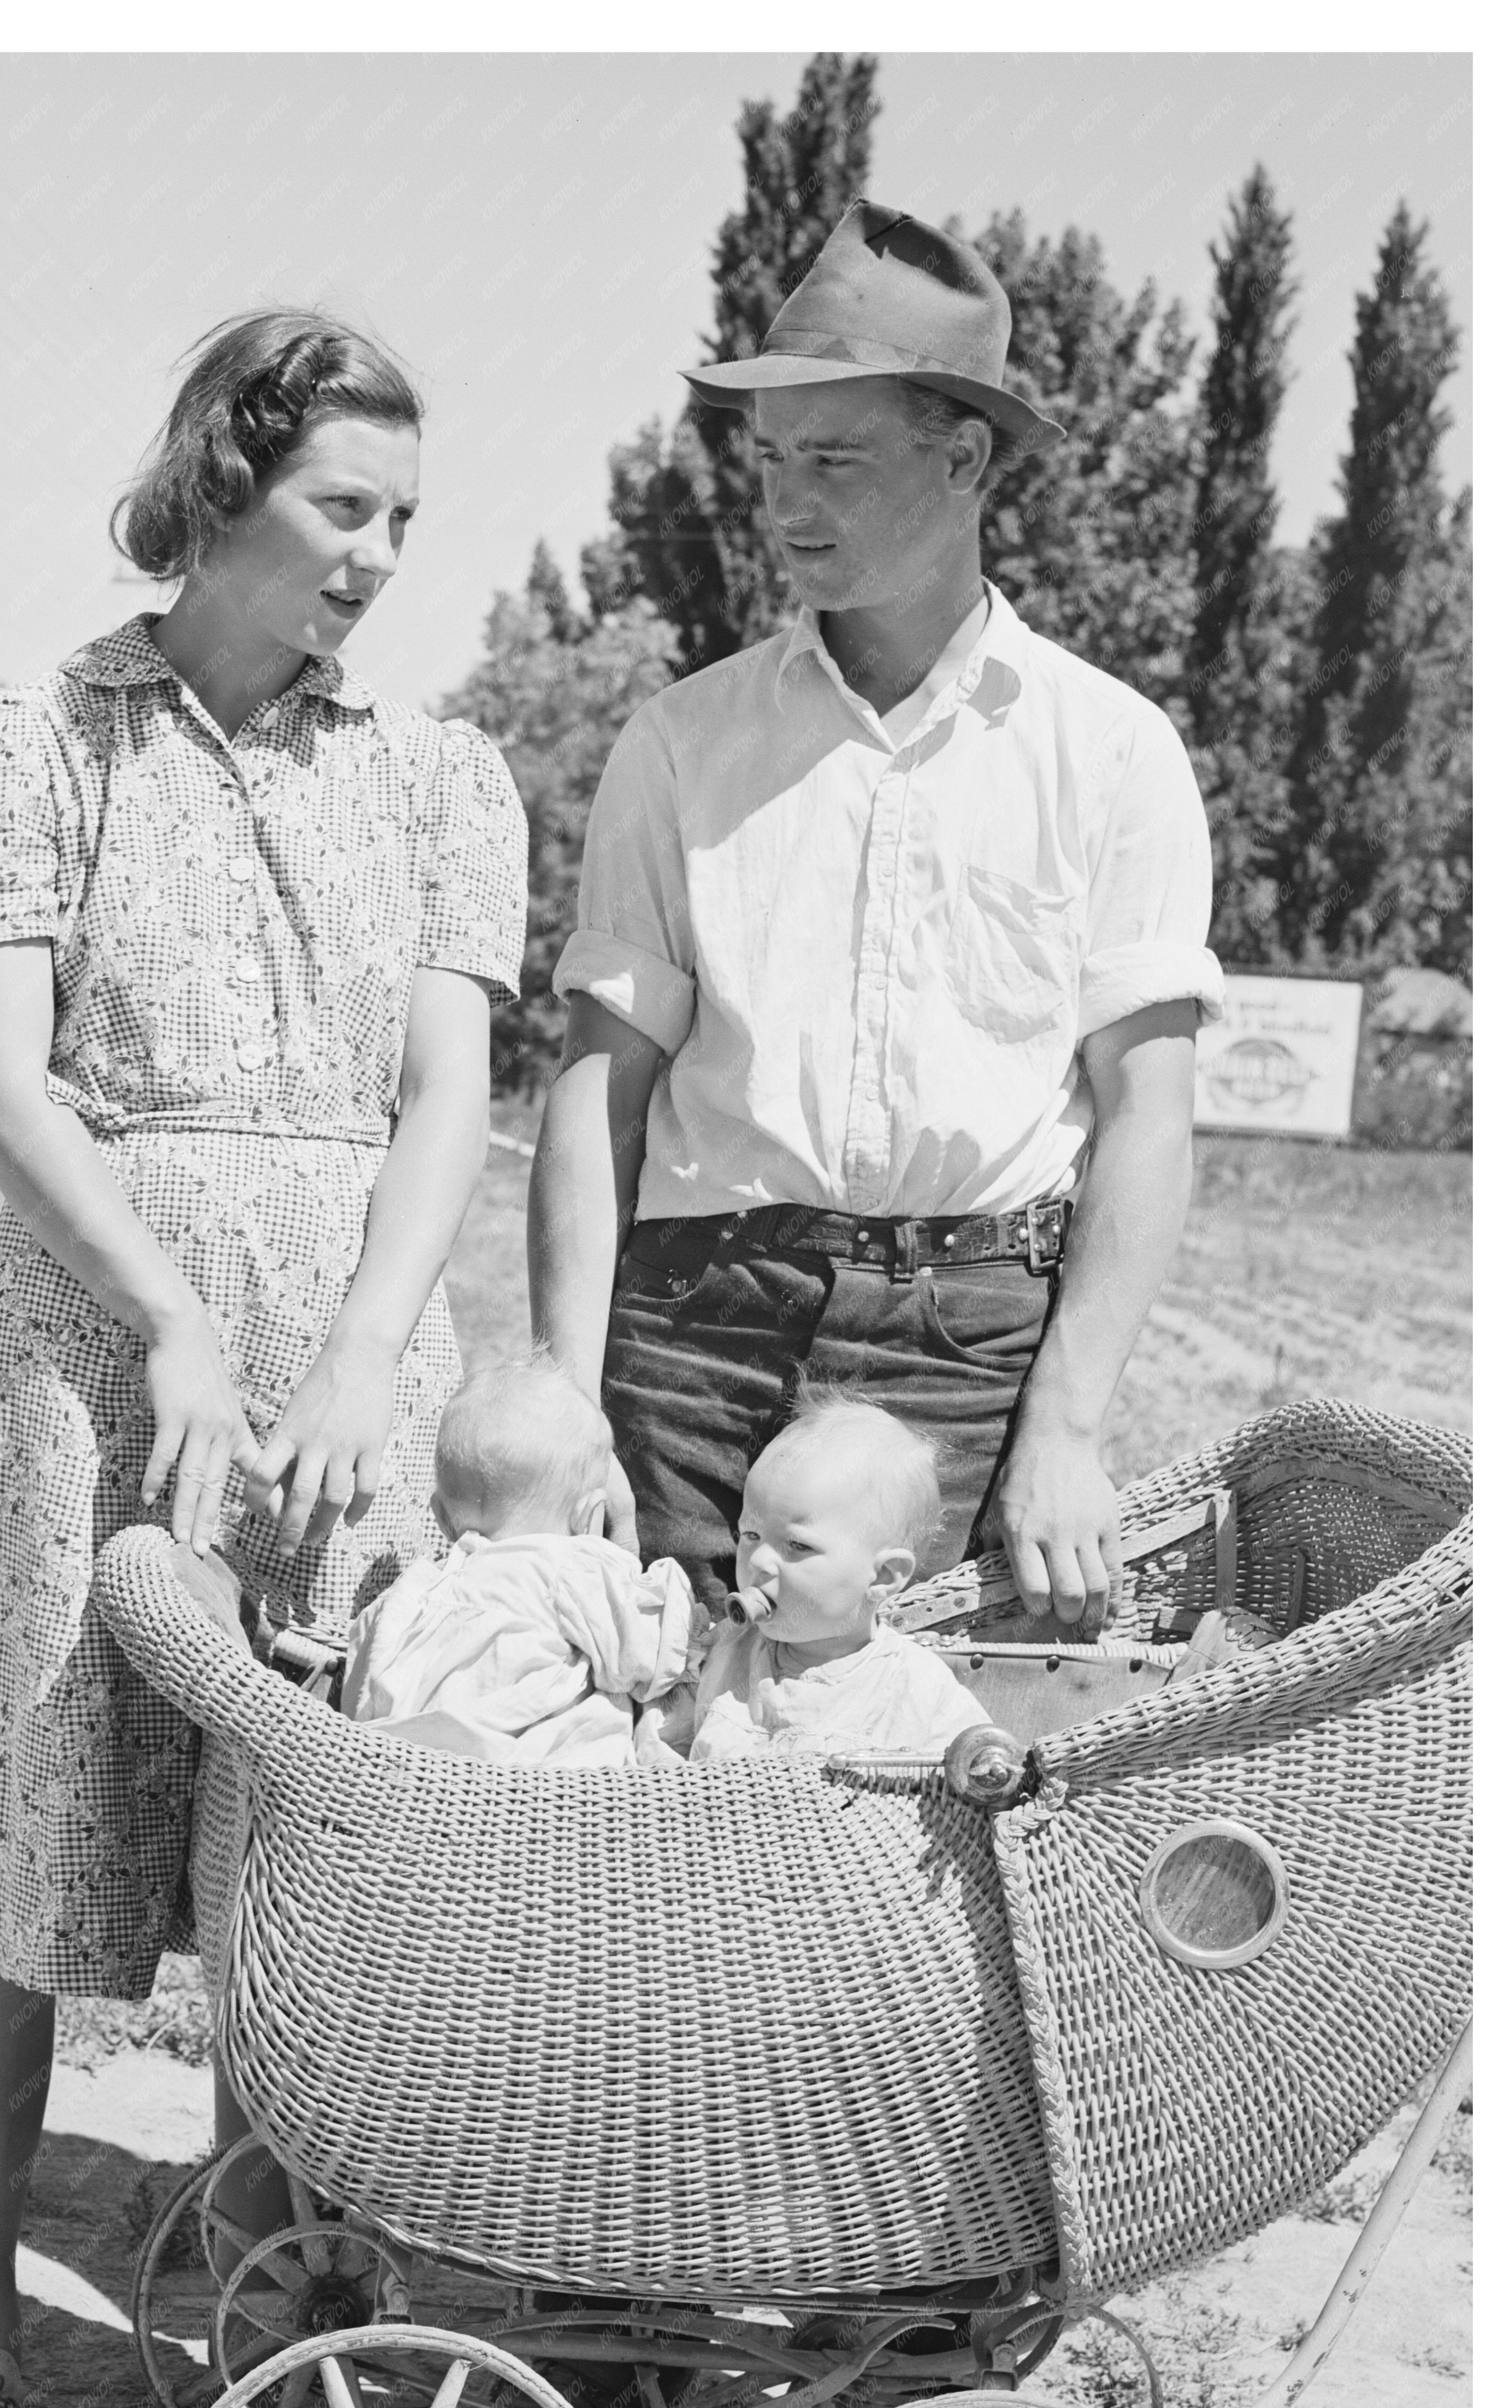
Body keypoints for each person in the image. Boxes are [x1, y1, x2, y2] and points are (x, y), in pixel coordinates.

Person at [0, 308, 526, 2408]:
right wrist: (170, 1331)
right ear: (224, 482)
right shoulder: (26, 734)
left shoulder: (444, 776)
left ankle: (274, 2320)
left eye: (405, 521)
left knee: (313, 1853)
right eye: (344, 506)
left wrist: (348, 1356)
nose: (377, 558)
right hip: (78, 1347)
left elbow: (445, 1102)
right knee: (19, 1855)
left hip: (345, 1368)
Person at [529, 200, 1224, 1640]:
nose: (788, 504)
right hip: (688, 1332)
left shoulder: (1112, 752)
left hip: (968, 1347)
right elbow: (600, 1092)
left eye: (835, 459)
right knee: (657, 1745)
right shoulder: (678, 745)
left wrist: (1070, 1430)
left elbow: (1146, 1117)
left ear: (963, 455)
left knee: (911, 1783)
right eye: (773, 460)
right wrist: (560, 1402)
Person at [340, 1360, 699, 1763]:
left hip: (414, 1786)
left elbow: (358, 1696)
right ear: (588, 1515)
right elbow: (655, 1653)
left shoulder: (408, 1595)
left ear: (440, 1517)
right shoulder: (567, 1567)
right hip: (543, 1798)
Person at [679, 1392, 989, 1763]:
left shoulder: (917, 1689)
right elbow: (661, 1750)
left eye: (796, 1544)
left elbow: (978, 1778)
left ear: (884, 1576)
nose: (759, 1560)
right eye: (751, 1535)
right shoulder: (723, 1652)